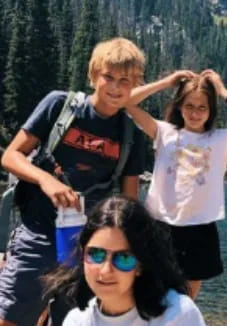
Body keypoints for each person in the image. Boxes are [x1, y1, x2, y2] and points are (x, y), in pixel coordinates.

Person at [0, 37, 145, 325]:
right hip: (37, 234)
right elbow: (11, 156)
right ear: (93, 75)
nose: (116, 88)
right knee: (11, 317)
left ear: (135, 84)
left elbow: (128, 202)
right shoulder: (59, 106)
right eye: (109, 77)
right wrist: (45, 180)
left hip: (88, 249)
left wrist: (127, 253)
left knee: (74, 321)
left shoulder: (131, 133)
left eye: (125, 80)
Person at [125, 69, 227, 299]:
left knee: (185, 301)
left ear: (211, 110)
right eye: (189, 106)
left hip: (199, 226)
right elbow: (128, 102)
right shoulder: (164, 132)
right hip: (160, 224)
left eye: (202, 107)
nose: (195, 113)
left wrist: (223, 91)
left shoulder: (221, 139)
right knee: (149, 296)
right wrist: (165, 82)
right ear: (179, 106)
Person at [43, 195, 206, 326]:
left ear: (141, 264)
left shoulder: (177, 314)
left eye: (124, 258)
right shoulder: (77, 321)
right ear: (82, 256)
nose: (105, 270)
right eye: (96, 254)